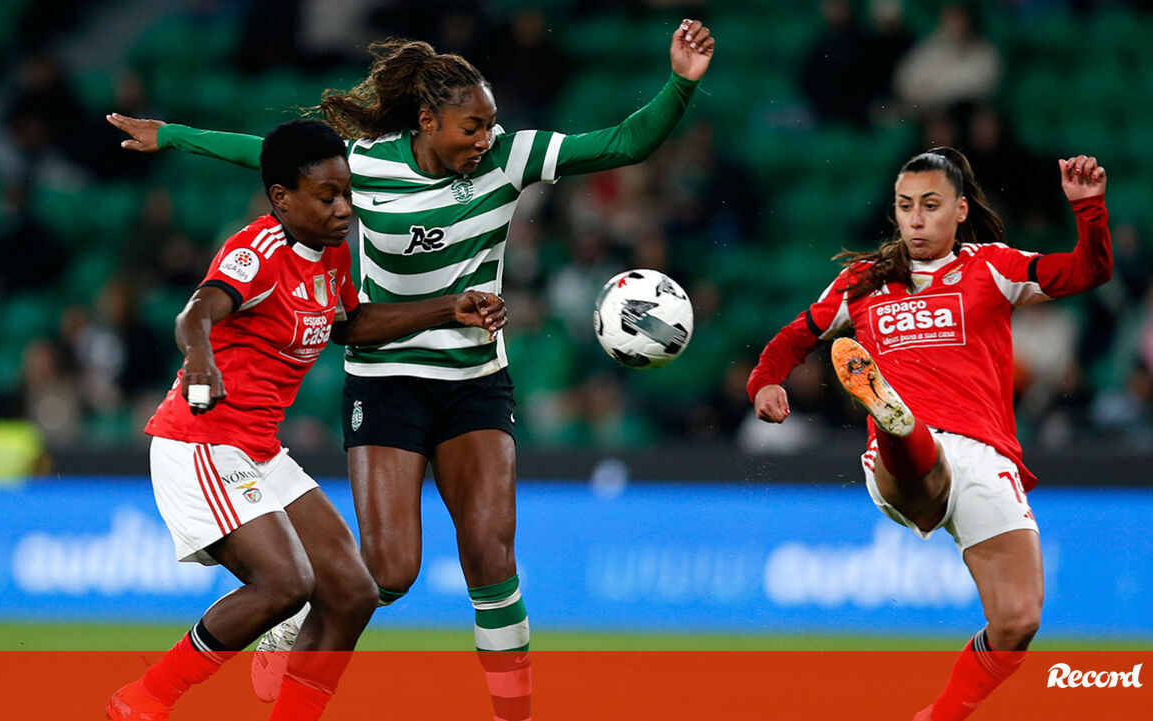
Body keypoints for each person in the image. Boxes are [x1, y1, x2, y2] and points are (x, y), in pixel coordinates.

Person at [107, 19, 714, 721]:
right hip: (385, 377)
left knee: (491, 556)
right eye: (470, 127)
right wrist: (172, 136)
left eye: (489, 124)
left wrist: (680, 83)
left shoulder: (509, 157)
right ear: (428, 121)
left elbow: (624, 143)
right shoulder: (362, 168)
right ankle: (282, 623)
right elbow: (265, 156)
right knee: (384, 575)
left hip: (474, 378)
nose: (484, 138)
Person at [105, 118, 506, 721]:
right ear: (282, 197)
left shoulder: (332, 253)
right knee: (285, 584)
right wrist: (200, 359)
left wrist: (449, 308)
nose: (344, 208)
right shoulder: (257, 253)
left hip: (257, 449)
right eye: (327, 197)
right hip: (202, 442)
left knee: (352, 591)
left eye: (347, 193)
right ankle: (144, 700)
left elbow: (351, 325)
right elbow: (196, 312)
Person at [746, 148, 1111, 721]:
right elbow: (796, 336)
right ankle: (895, 423)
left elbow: (1087, 272)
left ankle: (938, 716)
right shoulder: (863, 281)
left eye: (931, 205)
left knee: (1018, 619)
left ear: (960, 210)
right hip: (909, 459)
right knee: (920, 457)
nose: (915, 219)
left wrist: (1089, 209)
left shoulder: (994, 267)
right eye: (905, 206)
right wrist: (765, 381)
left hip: (985, 456)